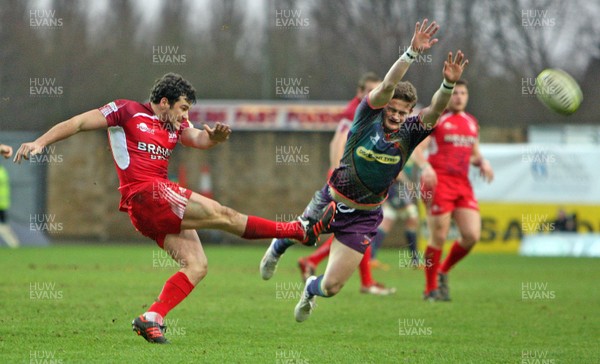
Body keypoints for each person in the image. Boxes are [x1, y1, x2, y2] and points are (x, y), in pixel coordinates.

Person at [13, 73, 335, 343]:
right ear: (164, 102)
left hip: (151, 209)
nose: (185, 115)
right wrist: (40, 143)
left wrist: (215, 140)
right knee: (224, 215)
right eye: (182, 107)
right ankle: (299, 230)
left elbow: (198, 139)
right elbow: (80, 122)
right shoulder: (127, 111)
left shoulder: (174, 124)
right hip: (146, 193)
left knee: (197, 265)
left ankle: (151, 317)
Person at [260, 18, 469, 322]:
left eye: (403, 112)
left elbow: (436, 108)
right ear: (384, 106)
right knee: (302, 235)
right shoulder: (366, 116)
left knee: (331, 287)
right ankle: (277, 247)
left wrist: (448, 84)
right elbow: (387, 85)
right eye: (393, 110)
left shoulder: (410, 132)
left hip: (365, 215)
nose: (397, 115)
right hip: (332, 199)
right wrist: (411, 52)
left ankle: (309, 289)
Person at [296, 72, 397, 295]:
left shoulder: (373, 111)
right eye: (369, 89)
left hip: (356, 181)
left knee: (356, 228)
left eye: (377, 89)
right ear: (360, 92)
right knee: (363, 225)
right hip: (346, 182)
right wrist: (337, 171)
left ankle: (314, 260)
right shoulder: (356, 111)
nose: (374, 93)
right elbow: (339, 139)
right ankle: (363, 280)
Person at [412, 79, 494, 302]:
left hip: (462, 185)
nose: (458, 96)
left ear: (467, 96)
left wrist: (483, 163)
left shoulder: (471, 123)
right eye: (455, 92)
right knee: (438, 236)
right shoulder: (437, 119)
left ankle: (443, 270)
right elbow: (417, 150)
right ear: (448, 96)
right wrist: (426, 167)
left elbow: (474, 154)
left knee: (471, 236)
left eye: (463, 93)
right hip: (438, 183)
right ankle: (430, 289)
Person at [370, 163, 420, 270]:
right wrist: (407, 183)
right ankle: (371, 258)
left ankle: (415, 260)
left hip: (401, 191)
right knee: (386, 221)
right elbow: (395, 170)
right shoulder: (397, 151)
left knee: (412, 220)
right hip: (393, 190)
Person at [0, 144, 20, 248]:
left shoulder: (1, 173)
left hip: (1, 204)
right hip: (3, 203)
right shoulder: (3, 171)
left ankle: (13, 243)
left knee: (3, 226)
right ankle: (13, 243)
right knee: (3, 226)